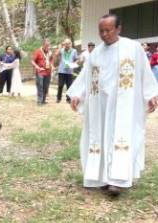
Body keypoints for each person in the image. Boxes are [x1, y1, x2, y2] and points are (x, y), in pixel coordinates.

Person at [67, 14, 158, 196]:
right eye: (101, 30)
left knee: (121, 137)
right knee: (100, 136)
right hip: (100, 103)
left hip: (124, 103)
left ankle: (117, 180)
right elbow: (86, 77)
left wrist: (151, 94)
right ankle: (101, 177)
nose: (104, 34)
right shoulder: (95, 54)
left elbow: (145, 72)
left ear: (118, 29)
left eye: (108, 30)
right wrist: (77, 94)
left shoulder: (133, 49)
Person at [55, 38, 79, 103]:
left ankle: (68, 99)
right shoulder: (62, 50)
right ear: (64, 44)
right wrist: (60, 47)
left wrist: (73, 64)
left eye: (68, 44)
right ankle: (58, 98)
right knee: (60, 85)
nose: (67, 45)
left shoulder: (74, 51)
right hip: (61, 70)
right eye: (65, 44)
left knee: (69, 86)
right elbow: (56, 54)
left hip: (69, 71)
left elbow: (77, 59)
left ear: (70, 44)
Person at [31, 39, 54, 105]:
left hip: (48, 72)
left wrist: (52, 66)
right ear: (43, 45)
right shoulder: (38, 51)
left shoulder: (50, 52)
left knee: (46, 86)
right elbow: (32, 61)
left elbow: (51, 60)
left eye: (49, 46)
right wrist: (37, 66)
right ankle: (39, 101)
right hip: (40, 72)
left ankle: (43, 100)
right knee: (40, 86)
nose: (48, 47)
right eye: (46, 45)